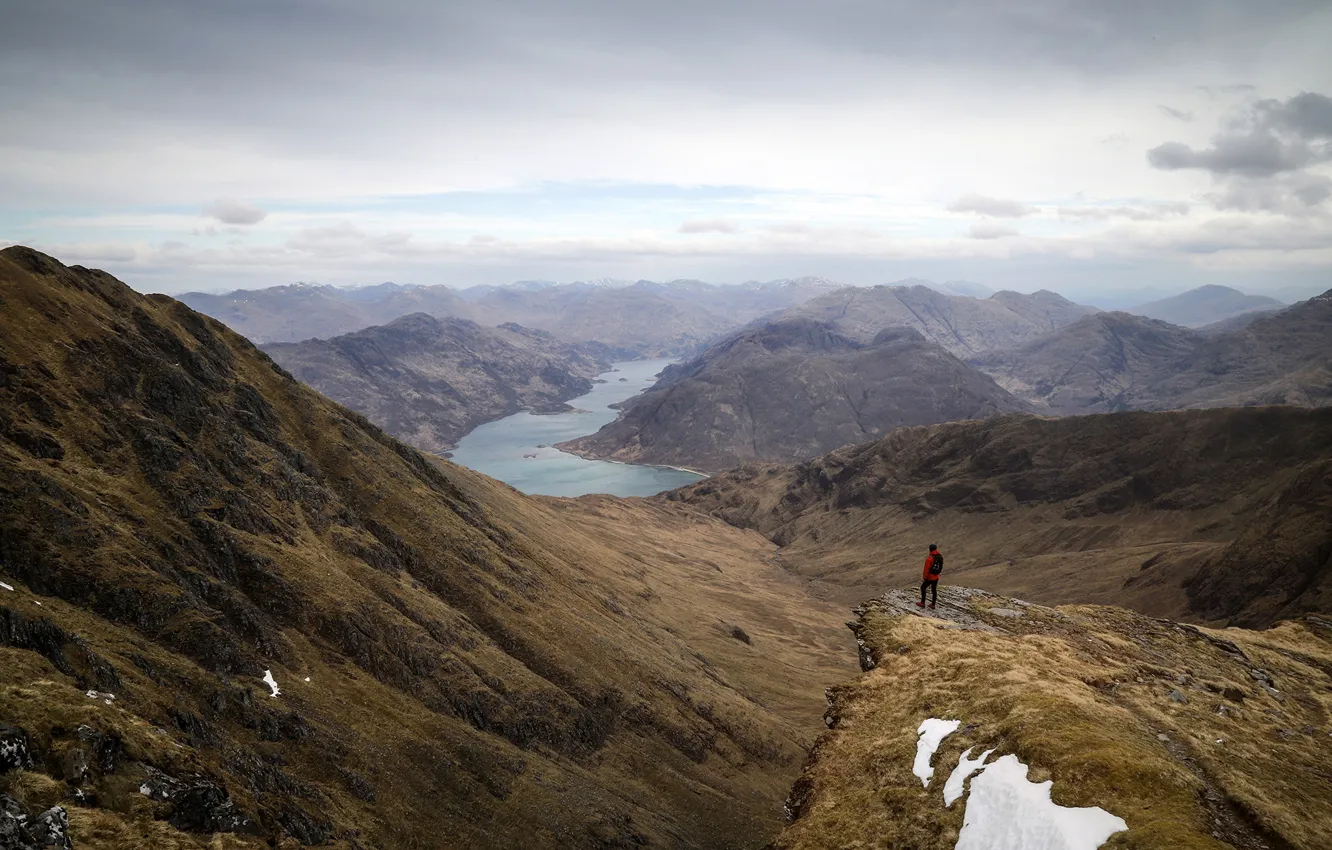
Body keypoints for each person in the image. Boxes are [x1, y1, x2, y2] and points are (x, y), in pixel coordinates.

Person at [917, 544, 943, 609]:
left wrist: (924, 578)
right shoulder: (939, 557)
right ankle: (933, 604)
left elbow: (926, 569)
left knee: (923, 588)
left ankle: (922, 603)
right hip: (936, 577)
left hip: (929, 577)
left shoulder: (930, 558)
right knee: (934, 590)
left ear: (930, 549)